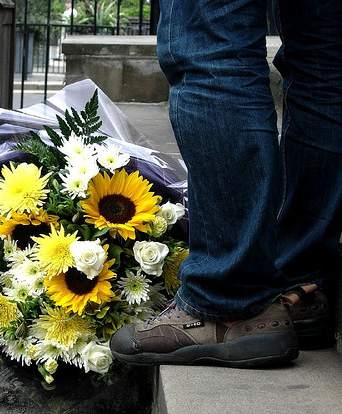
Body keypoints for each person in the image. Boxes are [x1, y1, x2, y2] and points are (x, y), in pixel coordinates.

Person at [110, 0, 342, 367]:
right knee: (324, 54)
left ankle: (229, 301)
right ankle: (303, 286)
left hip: (232, 300)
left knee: (212, 41)